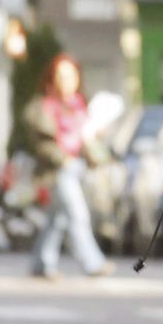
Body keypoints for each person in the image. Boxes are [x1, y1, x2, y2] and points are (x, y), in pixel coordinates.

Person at [25, 53, 114, 279]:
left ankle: (41, 263)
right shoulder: (43, 107)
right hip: (58, 171)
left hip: (79, 168)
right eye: (61, 76)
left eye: (71, 75)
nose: (67, 80)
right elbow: (42, 144)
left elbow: (87, 139)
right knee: (77, 215)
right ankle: (93, 263)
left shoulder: (81, 106)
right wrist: (62, 158)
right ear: (52, 78)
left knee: (57, 220)